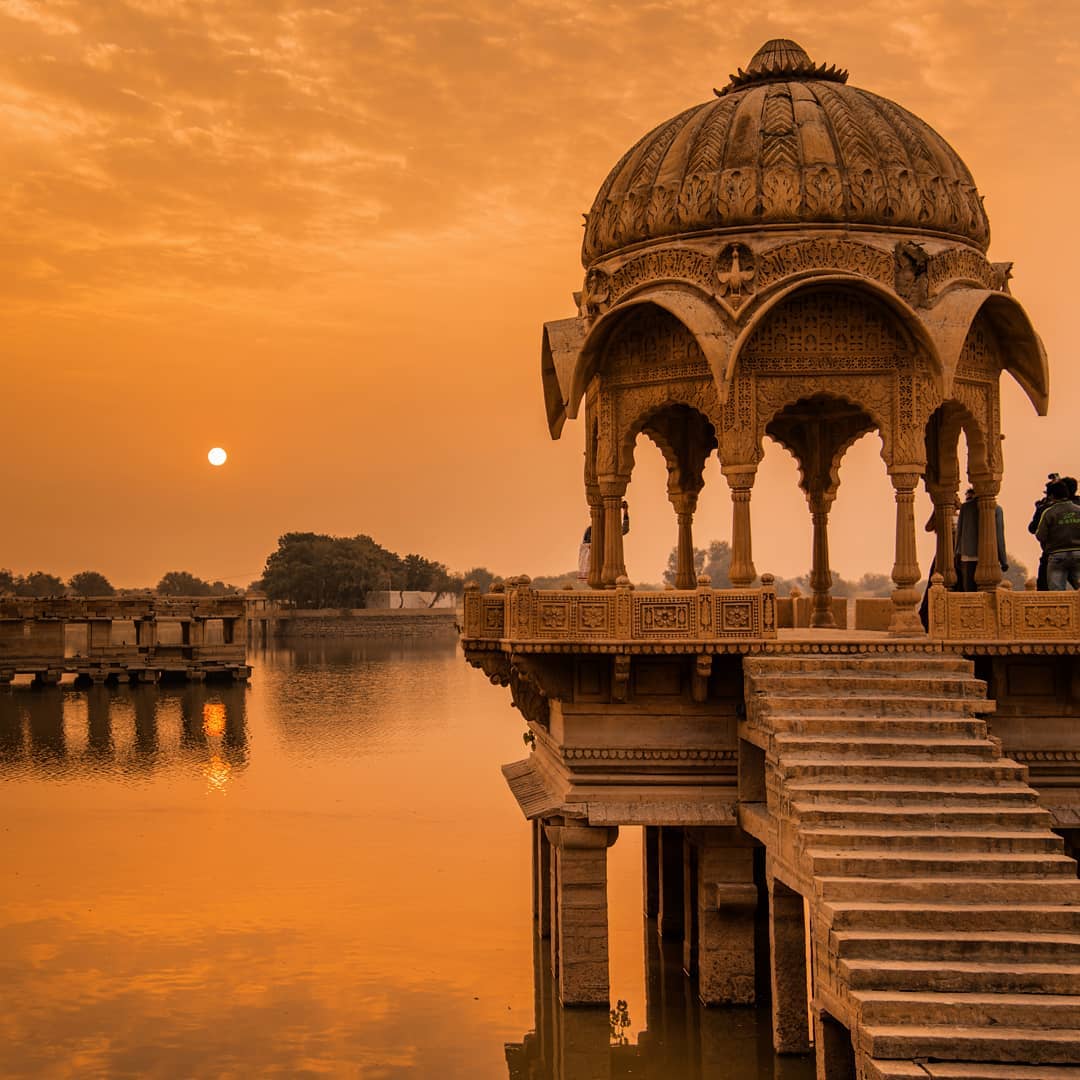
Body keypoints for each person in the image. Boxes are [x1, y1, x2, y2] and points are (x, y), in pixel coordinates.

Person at [1029, 474, 1080, 589]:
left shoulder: (1048, 511)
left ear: (1052, 495)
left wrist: (1039, 510)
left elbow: (1039, 534)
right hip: (1078, 553)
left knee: (1056, 595)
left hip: (1056, 555)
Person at [954, 487, 1007, 591]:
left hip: (967, 556)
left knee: (970, 593)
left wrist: (957, 554)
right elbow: (999, 536)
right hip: (989, 558)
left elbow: (959, 534)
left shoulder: (965, 507)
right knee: (987, 593)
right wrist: (1003, 560)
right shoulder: (996, 509)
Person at [578, 500, 630, 582]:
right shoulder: (591, 530)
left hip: (609, 564)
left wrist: (625, 511)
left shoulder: (611, 528)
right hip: (598, 565)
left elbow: (625, 529)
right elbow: (585, 549)